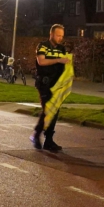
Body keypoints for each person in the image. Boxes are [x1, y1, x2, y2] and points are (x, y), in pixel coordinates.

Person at [30, 24, 70, 152]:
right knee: (48, 110)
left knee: (55, 111)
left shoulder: (62, 48)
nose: (60, 38)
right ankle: (36, 134)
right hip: (45, 83)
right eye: (58, 35)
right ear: (51, 34)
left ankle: (48, 140)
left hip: (57, 85)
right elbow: (41, 61)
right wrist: (58, 60)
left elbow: (65, 65)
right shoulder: (43, 46)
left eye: (62, 36)